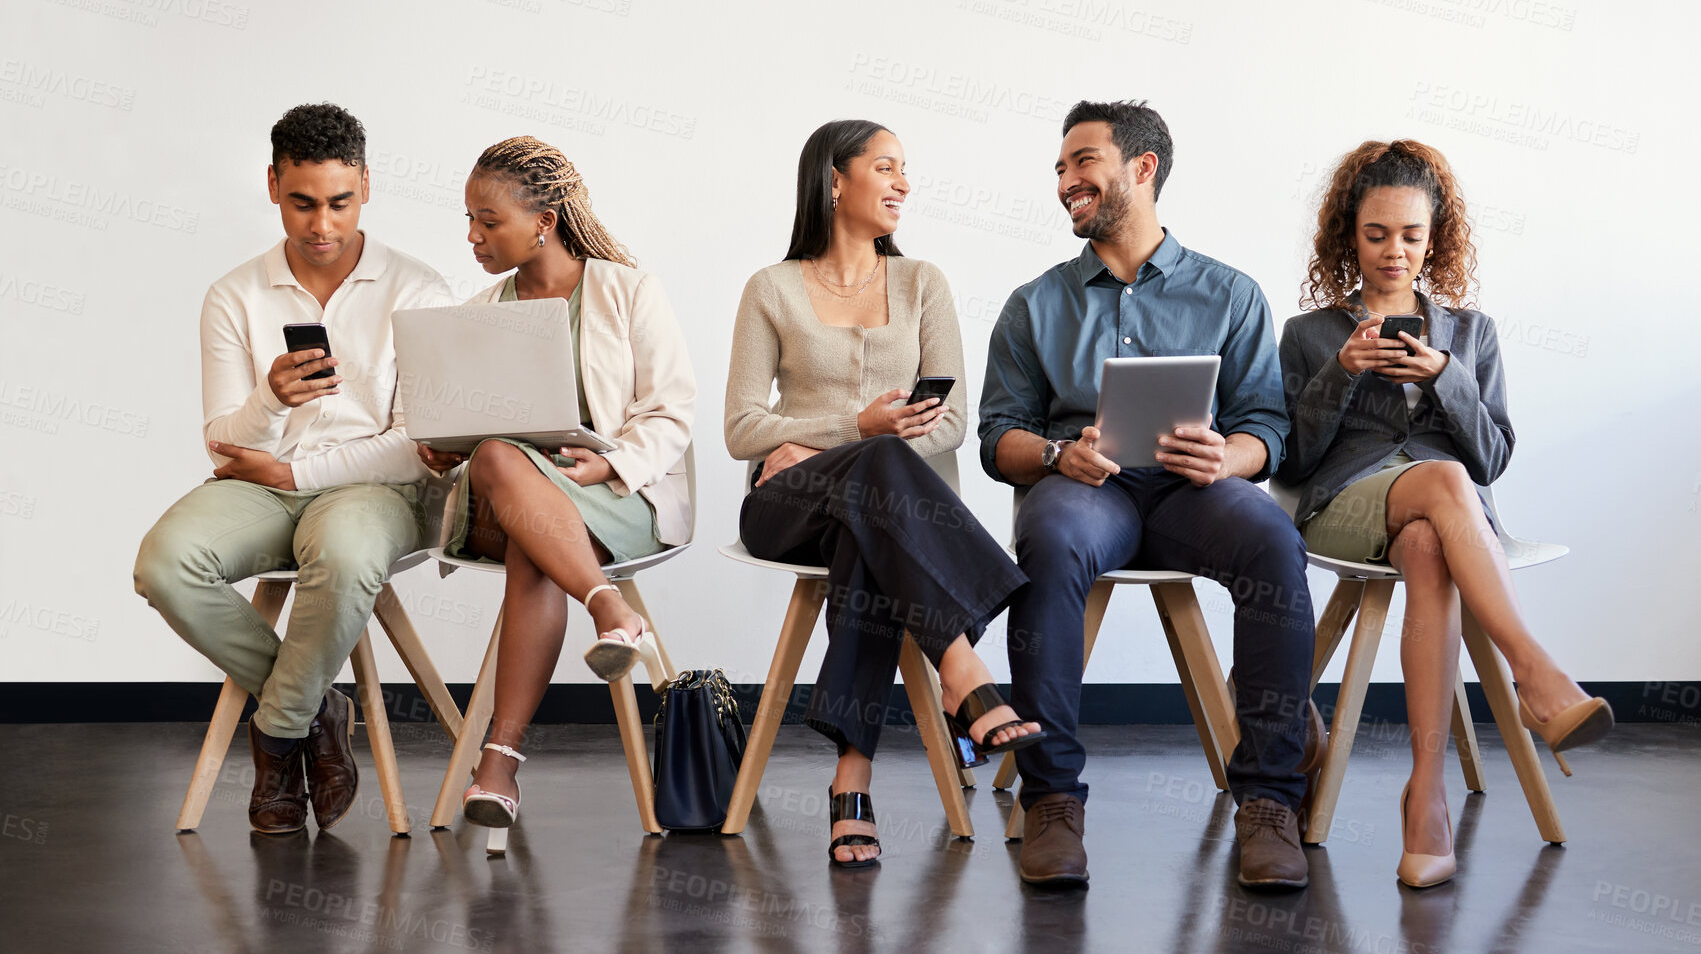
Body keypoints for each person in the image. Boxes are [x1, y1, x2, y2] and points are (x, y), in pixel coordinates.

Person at [980, 99, 1321, 889]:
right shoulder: (1035, 303)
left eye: (1082, 162)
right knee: (1051, 542)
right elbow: (998, 436)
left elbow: (1265, 425)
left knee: (1274, 540)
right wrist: (1059, 453)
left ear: (1142, 169)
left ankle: (1269, 801)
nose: (1066, 181)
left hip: (1189, 495)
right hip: (1082, 493)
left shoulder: (1228, 294)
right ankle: (1052, 798)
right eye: (1060, 168)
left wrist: (1224, 456)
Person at [1278, 139, 1613, 888]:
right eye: (1374, 235)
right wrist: (1340, 373)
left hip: (1448, 518)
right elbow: (1290, 462)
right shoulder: (1309, 335)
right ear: (1346, 235)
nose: (1393, 252)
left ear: (1435, 239)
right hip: (1347, 505)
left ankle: (1424, 795)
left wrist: (1445, 378)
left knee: (1432, 535)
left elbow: (1491, 458)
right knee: (1442, 481)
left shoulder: (1471, 334)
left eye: (1410, 235)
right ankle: (1537, 676)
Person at [726, 119, 1043, 869]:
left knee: (864, 528)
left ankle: (851, 781)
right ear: (835, 180)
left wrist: (836, 439)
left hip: (883, 520)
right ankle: (959, 662)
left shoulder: (920, 282)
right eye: (886, 168)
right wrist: (853, 427)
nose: (903, 183)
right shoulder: (770, 287)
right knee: (872, 471)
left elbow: (953, 423)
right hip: (785, 506)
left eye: (906, 170)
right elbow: (744, 430)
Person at [134, 103, 452, 835]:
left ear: (366, 186)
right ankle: (316, 710)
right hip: (262, 484)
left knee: (343, 556)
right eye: (302, 202)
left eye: (339, 202)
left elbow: (421, 444)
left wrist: (293, 475)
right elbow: (222, 443)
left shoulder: (419, 289)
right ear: (273, 184)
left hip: (377, 489)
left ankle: (277, 735)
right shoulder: (234, 294)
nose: (321, 226)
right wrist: (270, 400)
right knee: (165, 563)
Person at [415, 136, 694, 831]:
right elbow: (468, 425)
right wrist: (439, 444)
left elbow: (670, 410)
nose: (473, 237)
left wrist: (615, 463)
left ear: (543, 221)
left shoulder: (628, 292)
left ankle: (499, 764)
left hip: (613, 494)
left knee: (529, 545)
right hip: (501, 487)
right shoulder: (481, 310)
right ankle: (607, 608)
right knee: (500, 461)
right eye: (470, 221)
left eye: (489, 221)